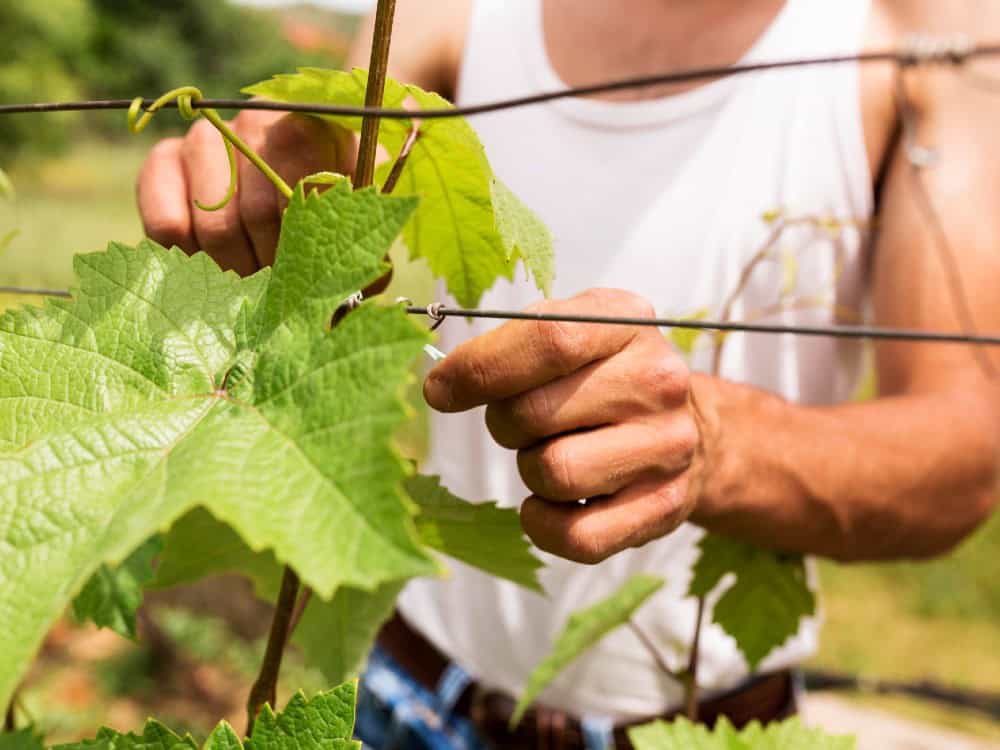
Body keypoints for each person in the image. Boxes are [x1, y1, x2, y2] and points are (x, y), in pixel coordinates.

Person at [137, 1, 1000, 747]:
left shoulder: (927, 35)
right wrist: (257, 176)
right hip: (413, 699)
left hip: (704, 731)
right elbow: (321, 166)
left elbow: (967, 455)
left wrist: (715, 444)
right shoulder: (450, 11)